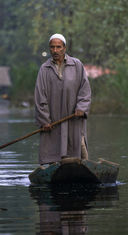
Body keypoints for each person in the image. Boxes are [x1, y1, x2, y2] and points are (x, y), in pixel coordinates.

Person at [34, 34, 91, 165]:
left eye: (58, 47)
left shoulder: (76, 65)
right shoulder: (44, 69)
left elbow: (85, 90)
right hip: (53, 122)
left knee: (79, 147)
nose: (55, 50)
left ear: (64, 48)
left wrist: (81, 108)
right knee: (53, 151)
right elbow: (40, 96)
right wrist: (44, 120)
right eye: (52, 47)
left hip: (74, 119)